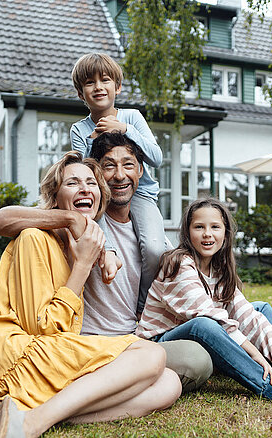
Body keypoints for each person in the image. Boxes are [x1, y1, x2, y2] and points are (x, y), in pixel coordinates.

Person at [0, 152, 181, 438]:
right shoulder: (35, 238)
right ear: (55, 197)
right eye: (72, 183)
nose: (85, 188)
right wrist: (83, 262)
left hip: (40, 360)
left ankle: (14, 417)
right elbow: (43, 329)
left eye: (91, 183)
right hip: (11, 360)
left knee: (169, 385)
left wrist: (91, 254)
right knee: (152, 355)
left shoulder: (78, 244)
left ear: (101, 199)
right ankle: (30, 426)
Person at [0, 132, 213, 394]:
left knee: (198, 351)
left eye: (128, 165)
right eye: (108, 167)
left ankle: (118, 382)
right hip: (82, 344)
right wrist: (70, 219)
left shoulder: (150, 235)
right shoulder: (72, 230)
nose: (119, 175)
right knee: (194, 361)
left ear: (140, 171)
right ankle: (110, 383)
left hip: (131, 339)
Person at [136, 198, 272, 400]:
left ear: (226, 233)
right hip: (162, 343)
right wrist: (256, 355)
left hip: (201, 338)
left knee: (259, 309)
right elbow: (213, 320)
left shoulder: (219, 268)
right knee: (205, 324)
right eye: (199, 227)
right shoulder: (179, 264)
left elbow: (246, 314)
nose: (207, 234)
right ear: (187, 232)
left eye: (215, 227)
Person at [70, 52, 165, 314]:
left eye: (105, 80)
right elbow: (84, 173)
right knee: (104, 243)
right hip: (103, 196)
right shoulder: (79, 130)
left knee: (156, 249)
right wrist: (93, 140)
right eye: (89, 83)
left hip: (140, 194)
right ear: (81, 93)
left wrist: (125, 130)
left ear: (117, 86)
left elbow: (156, 158)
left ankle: (143, 307)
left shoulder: (132, 117)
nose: (98, 87)